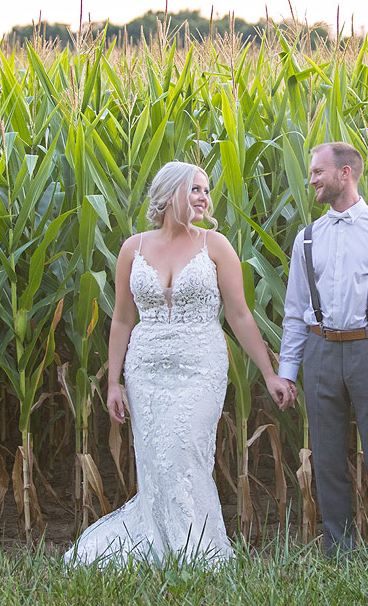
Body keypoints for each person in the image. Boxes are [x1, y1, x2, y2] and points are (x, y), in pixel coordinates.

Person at [65, 161, 294, 565]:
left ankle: (197, 548)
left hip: (200, 366)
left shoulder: (215, 246)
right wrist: (114, 382)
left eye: (206, 190)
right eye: (196, 189)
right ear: (171, 194)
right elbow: (122, 318)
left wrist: (268, 373)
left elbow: (240, 314)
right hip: (146, 368)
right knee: (155, 460)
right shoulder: (133, 248)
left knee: (184, 452)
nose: (205, 198)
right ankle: (161, 544)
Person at [277, 142, 368, 554]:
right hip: (320, 352)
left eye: (317, 172)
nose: (311, 180)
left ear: (345, 174)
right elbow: (295, 313)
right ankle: (338, 550)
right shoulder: (307, 238)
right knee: (326, 458)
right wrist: (288, 372)